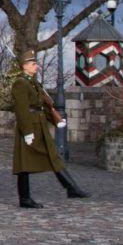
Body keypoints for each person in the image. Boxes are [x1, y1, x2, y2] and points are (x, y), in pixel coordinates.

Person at [11, 50, 91, 208]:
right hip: (30, 126)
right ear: (25, 66)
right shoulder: (21, 83)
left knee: (54, 157)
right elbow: (22, 109)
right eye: (33, 64)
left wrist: (54, 120)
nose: (36, 66)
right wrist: (27, 132)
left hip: (39, 125)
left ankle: (71, 188)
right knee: (24, 165)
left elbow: (43, 105)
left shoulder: (33, 83)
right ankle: (25, 198)